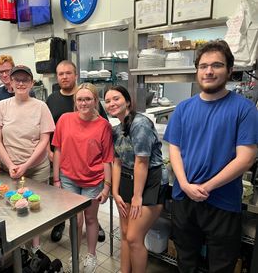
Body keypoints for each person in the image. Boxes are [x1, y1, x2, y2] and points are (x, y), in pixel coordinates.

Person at [163, 40, 258, 273]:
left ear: (229, 70)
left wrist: (205, 187)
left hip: (223, 202)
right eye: (203, 65)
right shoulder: (184, 108)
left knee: (221, 266)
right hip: (184, 198)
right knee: (185, 261)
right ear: (197, 70)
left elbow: (246, 158)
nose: (209, 71)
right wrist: (185, 185)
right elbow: (174, 148)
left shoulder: (244, 109)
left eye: (216, 65)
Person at [0, 65, 55, 253]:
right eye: (16, 79)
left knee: (35, 205)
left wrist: (27, 165)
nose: (20, 83)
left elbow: (45, 140)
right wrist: (10, 164)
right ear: (10, 82)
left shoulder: (41, 107)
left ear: (32, 83)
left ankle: (35, 246)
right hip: (10, 167)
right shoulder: (2, 106)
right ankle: (19, 245)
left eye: (25, 80)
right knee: (14, 204)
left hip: (37, 167)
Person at [104, 85, 167, 273]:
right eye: (107, 101)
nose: (111, 103)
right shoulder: (116, 129)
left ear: (128, 101)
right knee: (124, 233)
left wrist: (137, 196)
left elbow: (142, 162)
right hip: (126, 179)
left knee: (133, 237)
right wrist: (115, 192)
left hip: (149, 181)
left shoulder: (140, 124)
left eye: (116, 99)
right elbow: (116, 161)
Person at [52, 83, 113, 273]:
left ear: (95, 101)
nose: (83, 103)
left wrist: (106, 186)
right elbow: (58, 149)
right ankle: (75, 253)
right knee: (75, 221)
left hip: (93, 180)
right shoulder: (65, 119)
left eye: (88, 99)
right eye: (80, 99)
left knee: (91, 218)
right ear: (75, 101)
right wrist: (56, 179)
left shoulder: (103, 125)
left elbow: (107, 159)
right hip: (68, 178)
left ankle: (91, 255)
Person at [46, 60, 107, 243]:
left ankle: (94, 225)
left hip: (89, 168)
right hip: (64, 163)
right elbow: (50, 129)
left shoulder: (87, 94)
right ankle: (60, 224)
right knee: (68, 208)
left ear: (75, 75)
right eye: (61, 74)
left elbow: (101, 127)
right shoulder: (52, 99)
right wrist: (51, 152)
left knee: (88, 211)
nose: (64, 77)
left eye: (68, 73)